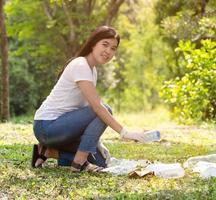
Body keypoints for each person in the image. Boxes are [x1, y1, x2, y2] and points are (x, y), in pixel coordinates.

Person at [32, 26, 147, 172]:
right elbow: (96, 108)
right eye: (105, 44)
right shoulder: (80, 65)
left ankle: (46, 152)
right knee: (105, 109)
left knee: (100, 161)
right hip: (47, 127)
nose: (108, 51)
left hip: (65, 128)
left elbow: (84, 112)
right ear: (93, 43)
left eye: (113, 48)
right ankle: (79, 162)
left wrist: (96, 142)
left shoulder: (92, 71)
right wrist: (125, 132)